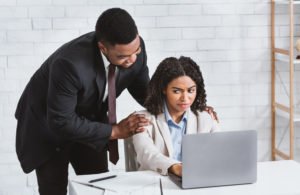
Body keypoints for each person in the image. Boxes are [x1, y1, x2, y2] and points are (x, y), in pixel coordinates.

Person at [14, 8, 150, 195]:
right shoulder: (70, 64)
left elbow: (146, 92)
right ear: (103, 47)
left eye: (136, 51)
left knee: (98, 185)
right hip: (47, 126)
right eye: (123, 56)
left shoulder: (134, 49)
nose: (133, 59)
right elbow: (61, 121)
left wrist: (193, 106)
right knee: (54, 191)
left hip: (88, 120)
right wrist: (115, 131)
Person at [132, 56, 220, 177]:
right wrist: (175, 167)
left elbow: (219, 152)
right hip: (154, 183)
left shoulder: (206, 118)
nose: (185, 98)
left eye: (190, 90)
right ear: (164, 89)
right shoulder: (142, 119)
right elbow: (147, 155)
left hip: (195, 180)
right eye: (177, 91)